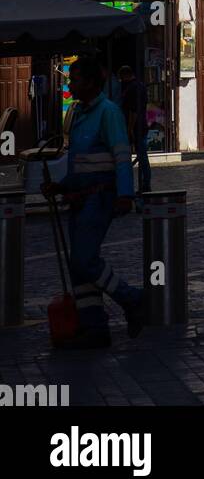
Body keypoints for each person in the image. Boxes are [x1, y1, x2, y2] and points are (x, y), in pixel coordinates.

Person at [42, 54, 144, 348]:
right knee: (78, 267)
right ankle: (95, 326)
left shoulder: (108, 112)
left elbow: (121, 156)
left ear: (89, 82)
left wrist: (126, 195)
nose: (70, 85)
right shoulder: (78, 114)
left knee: (84, 260)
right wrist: (60, 186)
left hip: (100, 198)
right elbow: (80, 162)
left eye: (74, 79)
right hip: (79, 199)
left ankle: (133, 299)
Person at [117, 64, 150, 202]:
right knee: (141, 157)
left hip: (137, 127)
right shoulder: (139, 86)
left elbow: (133, 110)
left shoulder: (133, 88)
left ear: (125, 75)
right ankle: (145, 184)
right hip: (140, 125)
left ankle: (145, 185)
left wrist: (130, 128)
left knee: (141, 156)